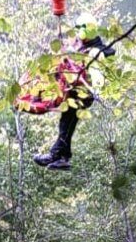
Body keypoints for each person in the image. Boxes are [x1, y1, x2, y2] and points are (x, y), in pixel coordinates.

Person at [31, 14, 115, 172]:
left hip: (83, 94)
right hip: (76, 92)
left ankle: (56, 154)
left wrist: (96, 88)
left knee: (67, 122)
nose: (77, 34)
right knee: (66, 121)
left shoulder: (95, 51)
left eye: (79, 30)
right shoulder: (87, 47)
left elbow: (97, 74)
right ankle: (63, 157)